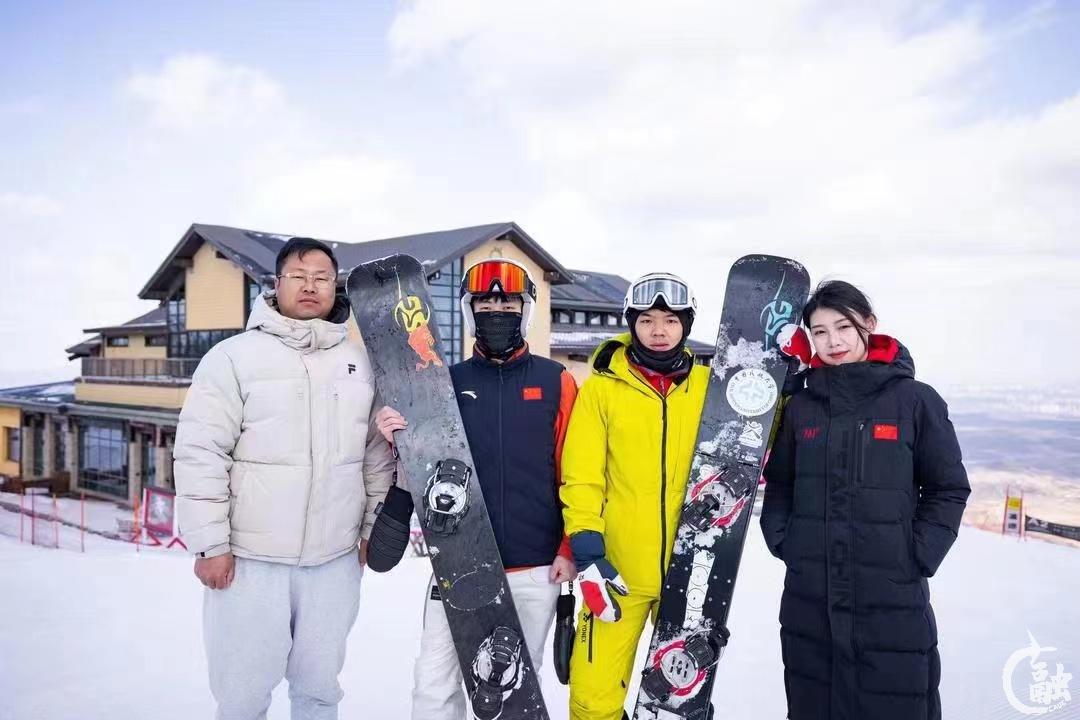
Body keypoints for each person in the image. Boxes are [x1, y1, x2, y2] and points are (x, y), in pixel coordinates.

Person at [174, 237, 395, 720]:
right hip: (251, 563)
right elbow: (200, 454)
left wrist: (370, 531)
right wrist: (210, 544)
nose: (310, 286)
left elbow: (375, 457)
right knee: (243, 696)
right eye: (298, 276)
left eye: (322, 278)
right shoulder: (232, 358)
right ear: (276, 284)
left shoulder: (361, 364)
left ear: (335, 287)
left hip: (334, 561)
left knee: (319, 691)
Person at [374, 257, 579, 720]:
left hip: (535, 566)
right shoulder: (446, 384)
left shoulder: (556, 381)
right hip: (459, 561)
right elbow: (425, 467)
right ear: (470, 311)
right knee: (433, 687)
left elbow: (575, 474)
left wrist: (568, 547)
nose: (496, 312)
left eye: (507, 304)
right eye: (485, 304)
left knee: (512, 694)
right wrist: (396, 437)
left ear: (525, 310)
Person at [760, 280, 970, 720]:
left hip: (891, 599)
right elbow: (779, 483)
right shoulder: (802, 407)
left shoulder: (915, 400)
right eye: (820, 332)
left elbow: (947, 488)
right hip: (810, 599)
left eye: (843, 327)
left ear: (868, 324)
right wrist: (785, 540)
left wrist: (917, 554)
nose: (833, 341)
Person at [559, 272, 710, 720]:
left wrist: (786, 382)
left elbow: (758, 435)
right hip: (617, 570)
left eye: (670, 320)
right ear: (632, 324)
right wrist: (587, 546)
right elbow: (582, 475)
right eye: (647, 320)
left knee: (678, 704)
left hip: (690, 572)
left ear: (686, 325)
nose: (658, 330)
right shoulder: (601, 390)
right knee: (592, 700)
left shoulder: (709, 388)